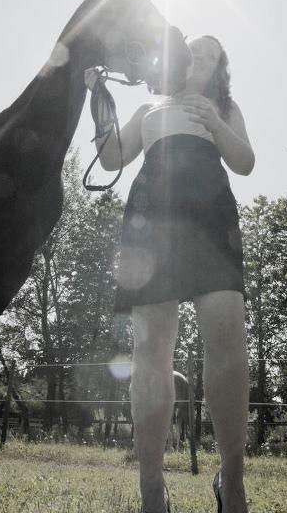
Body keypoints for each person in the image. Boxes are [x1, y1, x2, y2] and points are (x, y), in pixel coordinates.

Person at [84, 35, 254, 513]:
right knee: (151, 346)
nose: (198, 52)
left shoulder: (225, 106)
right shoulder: (149, 110)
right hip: (151, 216)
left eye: (211, 51)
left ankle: (232, 482)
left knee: (227, 336)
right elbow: (114, 157)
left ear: (220, 66)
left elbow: (245, 162)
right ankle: (151, 487)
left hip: (210, 214)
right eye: (193, 47)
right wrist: (100, 102)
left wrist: (216, 122)